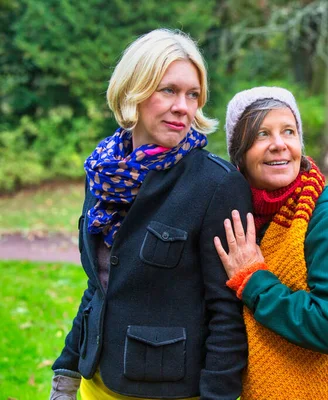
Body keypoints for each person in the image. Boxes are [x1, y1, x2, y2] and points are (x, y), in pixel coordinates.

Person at [49, 29, 250, 400]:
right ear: (133, 92)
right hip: (97, 383)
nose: (183, 107)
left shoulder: (216, 185)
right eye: (168, 90)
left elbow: (228, 313)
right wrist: (66, 372)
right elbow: (101, 285)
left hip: (170, 391)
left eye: (193, 95)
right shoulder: (104, 173)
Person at [213, 86, 328, 399]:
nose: (279, 145)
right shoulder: (236, 221)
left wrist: (253, 281)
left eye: (288, 131)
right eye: (262, 134)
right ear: (239, 153)